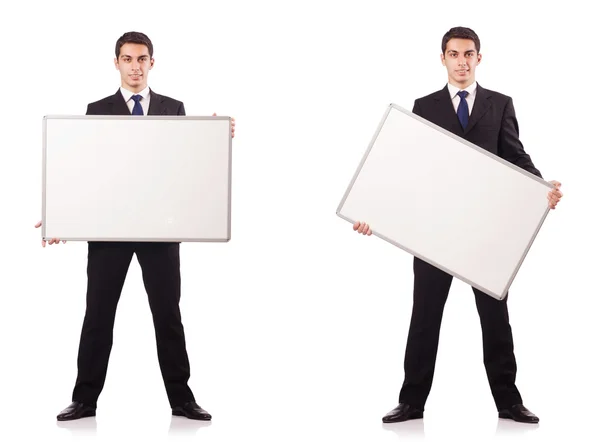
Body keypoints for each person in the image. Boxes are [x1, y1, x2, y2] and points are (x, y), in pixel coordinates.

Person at [353, 26, 562, 424]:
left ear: (478, 58)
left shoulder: (500, 104)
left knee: (495, 318)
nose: (461, 61)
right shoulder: (425, 105)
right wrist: (372, 214)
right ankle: (412, 401)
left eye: (468, 54)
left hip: (485, 233)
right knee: (425, 315)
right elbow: (406, 172)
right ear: (443, 59)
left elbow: (516, 157)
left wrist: (541, 188)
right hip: (435, 232)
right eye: (454, 54)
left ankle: (509, 402)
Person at [35, 31, 235, 421]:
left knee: (167, 315)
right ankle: (84, 399)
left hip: (159, 230)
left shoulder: (173, 108)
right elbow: (86, 171)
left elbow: (185, 167)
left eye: (142, 59)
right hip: (110, 231)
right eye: (127, 59)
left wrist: (215, 137)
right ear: (116, 63)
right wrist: (60, 213)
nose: (135, 67)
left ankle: (182, 399)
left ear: (151, 63)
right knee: (98, 314)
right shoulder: (98, 109)